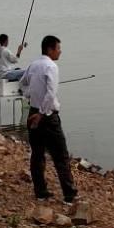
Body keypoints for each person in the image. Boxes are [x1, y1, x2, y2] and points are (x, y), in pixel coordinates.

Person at [18, 35, 77, 204]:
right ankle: (69, 194)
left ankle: (40, 191)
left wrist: (30, 97)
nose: (60, 51)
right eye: (58, 48)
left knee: (37, 154)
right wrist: (42, 113)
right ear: (50, 49)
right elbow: (51, 94)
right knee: (61, 156)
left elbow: (22, 84)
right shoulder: (51, 66)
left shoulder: (33, 64)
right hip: (48, 117)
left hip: (33, 112)